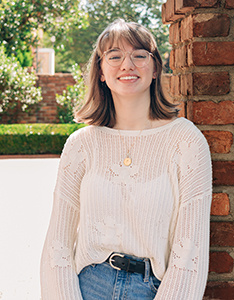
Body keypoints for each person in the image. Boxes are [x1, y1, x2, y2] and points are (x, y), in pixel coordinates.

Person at [40, 19, 212, 299]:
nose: (127, 65)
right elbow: (57, 244)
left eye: (139, 55)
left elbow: (190, 249)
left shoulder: (186, 141)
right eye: (115, 56)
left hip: (154, 289)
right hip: (88, 287)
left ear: (155, 68)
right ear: (101, 72)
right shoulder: (82, 144)